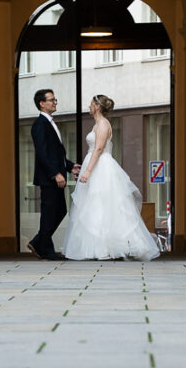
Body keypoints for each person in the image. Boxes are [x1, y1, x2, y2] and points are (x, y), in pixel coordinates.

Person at [64, 94, 160, 261]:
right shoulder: (98, 124)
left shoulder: (102, 124)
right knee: (95, 205)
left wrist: (87, 171)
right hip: (97, 165)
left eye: (91, 104)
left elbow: (99, 149)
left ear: (97, 106)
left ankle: (107, 248)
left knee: (103, 204)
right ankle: (99, 247)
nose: (88, 106)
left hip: (101, 167)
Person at [28, 88, 80, 260]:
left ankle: (38, 242)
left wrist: (70, 167)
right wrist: (55, 174)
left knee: (60, 211)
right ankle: (46, 249)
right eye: (51, 100)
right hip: (49, 178)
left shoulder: (50, 123)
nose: (55, 102)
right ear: (42, 104)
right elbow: (42, 153)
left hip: (56, 175)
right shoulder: (40, 125)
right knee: (50, 212)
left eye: (55, 99)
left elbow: (57, 154)